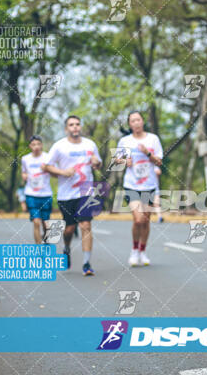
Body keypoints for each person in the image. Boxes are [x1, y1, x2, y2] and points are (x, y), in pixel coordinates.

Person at [42, 115, 102, 276]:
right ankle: (67, 248)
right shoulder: (59, 146)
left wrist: (96, 162)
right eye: (71, 125)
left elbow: (97, 164)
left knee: (86, 225)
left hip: (86, 191)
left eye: (77, 124)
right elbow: (46, 166)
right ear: (66, 128)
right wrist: (63, 172)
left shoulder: (90, 144)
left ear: (80, 127)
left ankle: (86, 263)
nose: (75, 127)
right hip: (66, 194)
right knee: (69, 229)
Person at [116, 111, 163, 267]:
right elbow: (116, 161)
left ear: (143, 121)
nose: (136, 123)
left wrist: (147, 153)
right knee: (138, 219)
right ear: (129, 124)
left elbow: (159, 162)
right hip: (132, 185)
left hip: (148, 186)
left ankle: (143, 251)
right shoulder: (125, 141)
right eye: (132, 121)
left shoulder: (153, 139)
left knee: (146, 221)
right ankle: (134, 250)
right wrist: (124, 161)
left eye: (138, 120)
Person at [21, 135, 53, 244]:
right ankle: (39, 250)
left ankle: (46, 241)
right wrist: (24, 175)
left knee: (45, 224)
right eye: (34, 144)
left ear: (42, 145)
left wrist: (47, 169)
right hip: (31, 194)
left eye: (39, 144)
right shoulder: (25, 159)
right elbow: (24, 172)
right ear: (30, 146)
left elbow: (55, 173)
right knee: (36, 222)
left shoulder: (48, 157)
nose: (36, 147)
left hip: (46, 194)